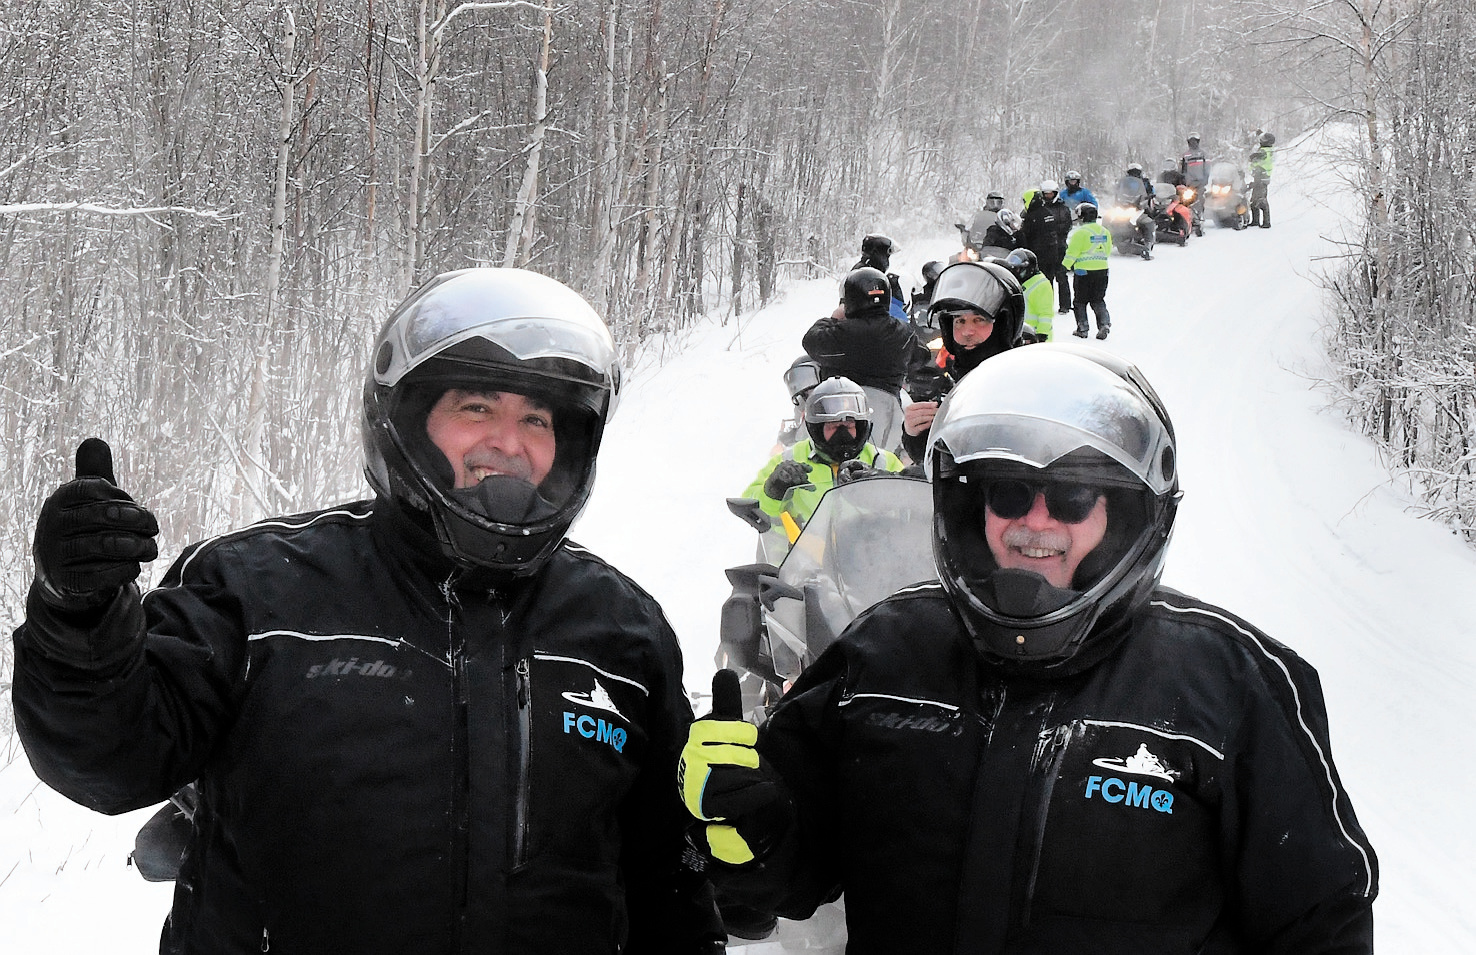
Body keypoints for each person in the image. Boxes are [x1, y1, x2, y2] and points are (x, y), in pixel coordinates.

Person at [12, 267, 725, 955]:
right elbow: (110, 758)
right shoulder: (257, 586)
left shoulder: (622, 631)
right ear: (407, 419)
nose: (508, 442)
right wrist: (78, 617)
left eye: (536, 418)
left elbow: (673, 891)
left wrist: (744, 829)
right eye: (476, 406)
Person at [679, 344, 1379, 955]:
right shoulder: (886, 653)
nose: (1035, 521)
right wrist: (747, 817)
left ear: (1124, 513)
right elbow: (784, 875)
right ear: (968, 505)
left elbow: (1320, 922)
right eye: (1009, 491)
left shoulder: (1232, 687)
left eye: (1073, 494)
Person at [742, 376, 904, 534]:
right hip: (801, 556)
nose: (842, 433)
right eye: (833, 426)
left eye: (848, 424)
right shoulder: (789, 459)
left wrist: (887, 485)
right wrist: (773, 489)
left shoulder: (883, 462)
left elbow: (913, 504)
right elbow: (752, 506)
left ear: (862, 426)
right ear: (816, 428)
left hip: (870, 555)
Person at [899, 260, 1023, 462]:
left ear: (1004, 324)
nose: (967, 331)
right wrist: (916, 433)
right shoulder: (955, 382)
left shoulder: (1023, 383)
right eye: (959, 321)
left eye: (979, 320)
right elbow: (939, 463)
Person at [803, 267, 930, 454]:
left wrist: (832, 318)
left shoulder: (840, 333)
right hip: (889, 410)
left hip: (839, 410)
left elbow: (811, 341)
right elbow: (921, 357)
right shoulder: (902, 332)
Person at [1018, 179, 1073, 314]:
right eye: (1046, 194)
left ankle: (1065, 305)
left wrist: (1053, 234)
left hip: (1057, 246)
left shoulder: (1062, 209)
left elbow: (1067, 225)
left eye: (1051, 194)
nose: (1048, 196)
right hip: (1048, 247)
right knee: (1046, 279)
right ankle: (1048, 303)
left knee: (1060, 276)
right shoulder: (1035, 211)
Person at [1062, 202, 1113, 340]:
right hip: (1102, 270)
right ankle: (1104, 323)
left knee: (1080, 301)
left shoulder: (1080, 233)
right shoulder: (1105, 232)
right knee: (1098, 300)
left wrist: (1064, 267)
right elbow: (1107, 251)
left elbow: (1072, 253)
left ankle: (1082, 328)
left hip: (1083, 272)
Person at [1000, 247, 1055, 343]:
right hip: (1021, 335)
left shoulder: (1041, 285)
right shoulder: (1021, 282)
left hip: (1034, 337)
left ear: (1028, 269)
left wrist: (1041, 335)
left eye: (1018, 269)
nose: (1014, 273)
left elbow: (1045, 314)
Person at [1113, 162, 1157, 259]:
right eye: (1132, 172)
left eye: (1136, 172)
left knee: (1147, 220)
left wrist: (1150, 194)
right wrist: (1117, 196)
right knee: (1110, 218)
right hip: (1124, 205)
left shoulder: (1145, 181)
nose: (1134, 174)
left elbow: (1151, 191)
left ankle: (1148, 241)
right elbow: (1117, 190)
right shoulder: (1123, 182)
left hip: (1139, 205)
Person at [852, 232, 907, 310]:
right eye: (887, 256)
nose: (887, 260)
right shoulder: (866, 274)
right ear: (879, 254)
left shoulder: (866, 269)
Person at [1249, 131, 1275, 228]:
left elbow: (1260, 158)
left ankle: (1266, 222)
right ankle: (1255, 220)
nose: (1261, 141)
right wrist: (1259, 132)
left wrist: (1254, 157)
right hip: (1259, 177)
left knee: (1261, 200)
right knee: (1254, 200)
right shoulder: (1266, 150)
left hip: (1262, 177)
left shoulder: (1265, 151)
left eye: (1263, 140)